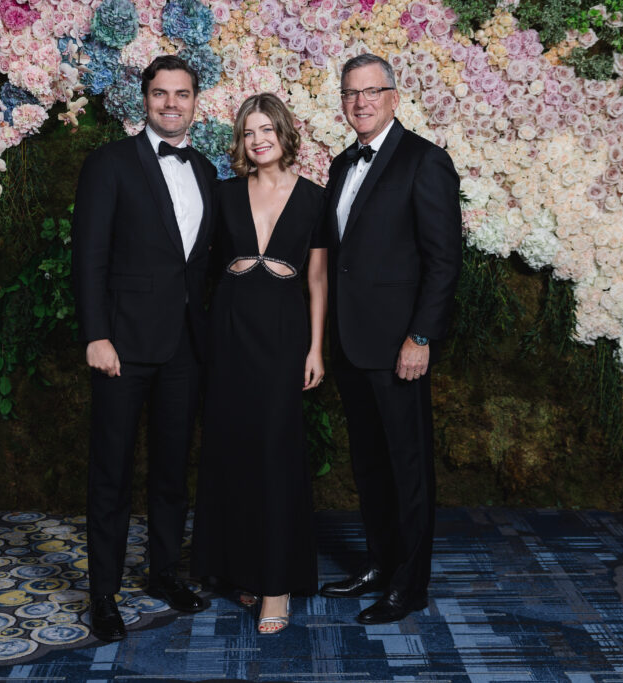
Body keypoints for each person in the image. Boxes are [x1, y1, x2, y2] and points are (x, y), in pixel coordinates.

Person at [71, 55, 217, 642]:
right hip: (122, 344)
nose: (171, 104)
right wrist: (96, 335)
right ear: (145, 99)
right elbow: (88, 257)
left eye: (182, 94)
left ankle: (163, 574)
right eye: (161, 94)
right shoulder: (109, 163)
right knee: (111, 472)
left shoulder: (205, 169)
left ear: (196, 101)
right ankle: (103, 594)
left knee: (172, 470)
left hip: (185, 345)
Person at [319, 54, 462, 624]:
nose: (361, 102)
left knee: (408, 469)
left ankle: (409, 585)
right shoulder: (339, 165)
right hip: (351, 343)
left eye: (371, 91)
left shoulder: (425, 160)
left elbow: (444, 260)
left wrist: (420, 336)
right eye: (351, 93)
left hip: (400, 345)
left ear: (394, 97)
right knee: (370, 465)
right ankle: (379, 565)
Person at [192, 93, 327, 634]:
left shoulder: (315, 198)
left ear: (284, 133)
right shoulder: (224, 193)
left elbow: (317, 280)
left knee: (275, 452)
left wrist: (315, 348)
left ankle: (276, 584)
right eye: (249, 132)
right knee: (233, 448)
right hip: (229, 330)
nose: (257, 140)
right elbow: (199, 266)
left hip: (283, 334)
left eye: (266, 129)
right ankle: (242, 567)